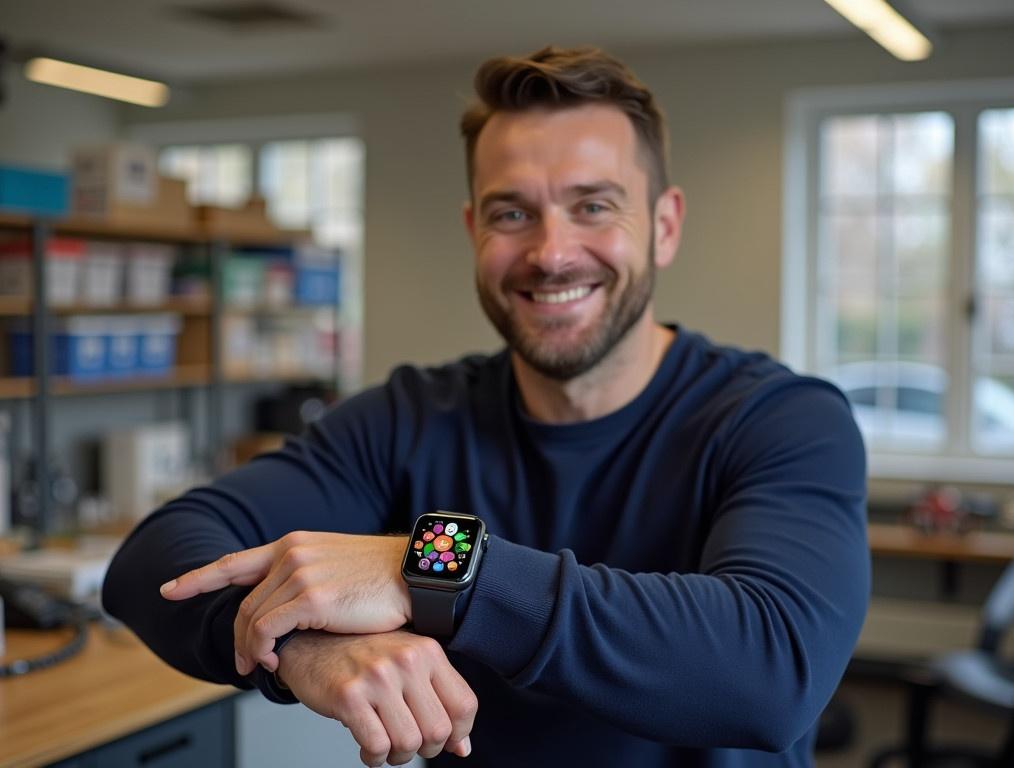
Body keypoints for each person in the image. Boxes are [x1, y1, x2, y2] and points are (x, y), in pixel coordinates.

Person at [102, 45, 870, 768]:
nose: (551, 252)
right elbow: (154, 558)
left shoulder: (781, 419)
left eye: (593, 206)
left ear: (664, 226)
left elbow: (774, 666)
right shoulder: (411, 417)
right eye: (512, 214)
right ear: (475, 230)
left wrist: (430, 569)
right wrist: (303, 648)